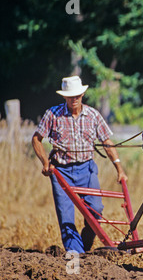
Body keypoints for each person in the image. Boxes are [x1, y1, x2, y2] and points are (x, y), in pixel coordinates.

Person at [32, 75, 128, 253]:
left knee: (96, 211)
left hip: (87, 169)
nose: (74, 99)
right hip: (61, 171)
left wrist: (119, 169)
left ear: (82, 95)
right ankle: (75, 255)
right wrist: (45, 163)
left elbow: (107, 143)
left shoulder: (93, 115)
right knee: (66, 217)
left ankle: (83, 246)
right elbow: (36, 140)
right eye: (70, 96)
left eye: (77, 96)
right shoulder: (53, 114)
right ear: (64, 97)